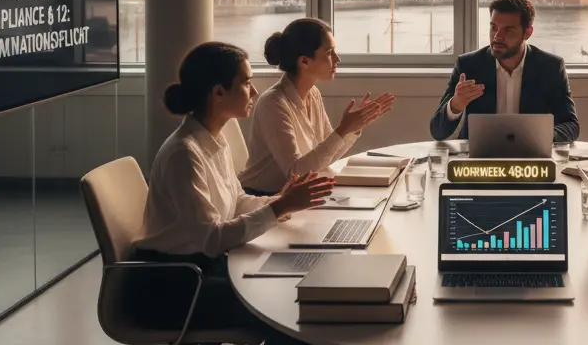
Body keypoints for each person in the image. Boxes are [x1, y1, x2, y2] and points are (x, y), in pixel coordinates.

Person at [134, 42, 333, 342]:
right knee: (290, 304)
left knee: (300, 281)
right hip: (180, 286)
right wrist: (279, 208)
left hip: (207, 268)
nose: (254, 93)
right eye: (247, 83)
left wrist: (282, 201)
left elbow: (237, 201)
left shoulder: (214, 138)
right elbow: (212, 239)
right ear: (218, 93)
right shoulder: (184, 155)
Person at [239, 18, 395, 195]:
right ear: (304, 61)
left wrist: (354, 128)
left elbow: (324, 159)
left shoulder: (313, 94)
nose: (338, 59)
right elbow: (296, 174)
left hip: (296, 198)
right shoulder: (273, 104)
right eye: (329, 53)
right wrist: (343, 129)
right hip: (264, 199)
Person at [429, 0, 579, 143]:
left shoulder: (550, 68)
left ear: (527, 33)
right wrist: (456, 105)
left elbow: (571, 126)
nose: (497, 37)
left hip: (530, 160)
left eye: (508, 30)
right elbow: (437, 132)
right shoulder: (469, 65)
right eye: (494, 28)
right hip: (479, 162)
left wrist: (539, 136)